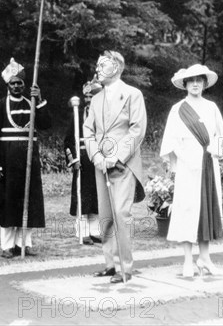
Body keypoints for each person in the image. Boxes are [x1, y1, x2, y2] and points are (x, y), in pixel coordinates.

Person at [159, 64, 223, 277]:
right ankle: (188, 261)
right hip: (187, 166)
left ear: (204, 84)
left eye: (199, 80)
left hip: (208, 163)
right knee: (187, 210)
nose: (195, 84)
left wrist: (215, 151)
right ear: (185, 84)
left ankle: (205, 258)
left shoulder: (211, 107)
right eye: (191, 81)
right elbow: (170, 142)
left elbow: (221, 135)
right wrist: (185, 158)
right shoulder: (178, 109)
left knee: (207, 209)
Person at [83, 50, 147, 283]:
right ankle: (110, 264)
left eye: (103, 65)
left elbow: (137, 129)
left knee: (122, 214)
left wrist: (117, 156)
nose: (98, 68)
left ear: (117, 68)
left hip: (124, 164)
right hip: (101, 165)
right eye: (97, 64)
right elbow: (88, 130)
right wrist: (96, 155)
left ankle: (125, 269)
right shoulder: (97, 98)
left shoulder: (133, 94)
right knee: (106, 215)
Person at [0, 58, 51, 259]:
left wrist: (39, 100)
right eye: (13, 83)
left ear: (25, 84)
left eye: (20, 83)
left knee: (28, 201)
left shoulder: (31, 103)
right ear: (8, 85)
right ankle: (7, 246)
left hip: (29, 161)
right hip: (6, 161)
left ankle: (24, 243)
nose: (17, 86)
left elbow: (46, 124)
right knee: (8, 202)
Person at [63, 77, 102, 245]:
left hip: (100, 160)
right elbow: (68, 141)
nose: (88, 100)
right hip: (83, 161)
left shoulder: (106, 115)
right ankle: (83, 231)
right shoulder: (78, 115)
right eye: (86, 97)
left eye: (91, 96)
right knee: (83, 197)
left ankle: (95, 231)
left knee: (97, 197)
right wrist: (74, 160)